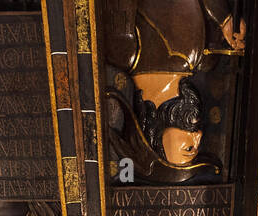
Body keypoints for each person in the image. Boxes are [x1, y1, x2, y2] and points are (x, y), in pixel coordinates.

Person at [103, 0, 245, 182]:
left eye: (189, 149)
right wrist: (225, 20)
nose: (199, 136)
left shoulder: (122, 48)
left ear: (153, 138)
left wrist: (222, 16)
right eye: (197, 146)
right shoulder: (205, 62)